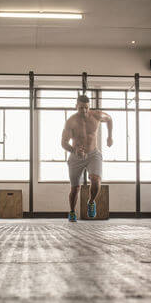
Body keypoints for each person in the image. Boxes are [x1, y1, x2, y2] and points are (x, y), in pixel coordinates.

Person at [61, 94, 113, 222]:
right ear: (76, 106)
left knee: (96, 180)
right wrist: (74, 150)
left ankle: (91, 202)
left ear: (89, 107)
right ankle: (72, 212)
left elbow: (110, 119)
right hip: (76, 156)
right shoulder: (71, 121)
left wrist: (110, 136)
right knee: (75, 188)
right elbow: (63, 143)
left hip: (93, 154)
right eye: (81, 108)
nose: (84, 111)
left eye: (86, 108)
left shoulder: (97, 115)